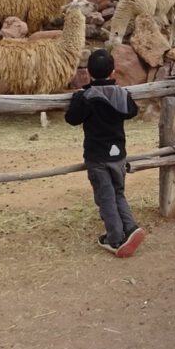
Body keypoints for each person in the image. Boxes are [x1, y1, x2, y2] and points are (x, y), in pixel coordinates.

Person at [65, 49, 145, 257]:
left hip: (98, 157)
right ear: (113, 72)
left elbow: (72, 119)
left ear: (88, 73)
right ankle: (130, 227)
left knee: (105, 196)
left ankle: (115, 238)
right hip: (118, 155)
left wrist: (77, 97)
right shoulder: (122, 94)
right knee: (117, 192)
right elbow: (132, 111)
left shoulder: (87, 97)